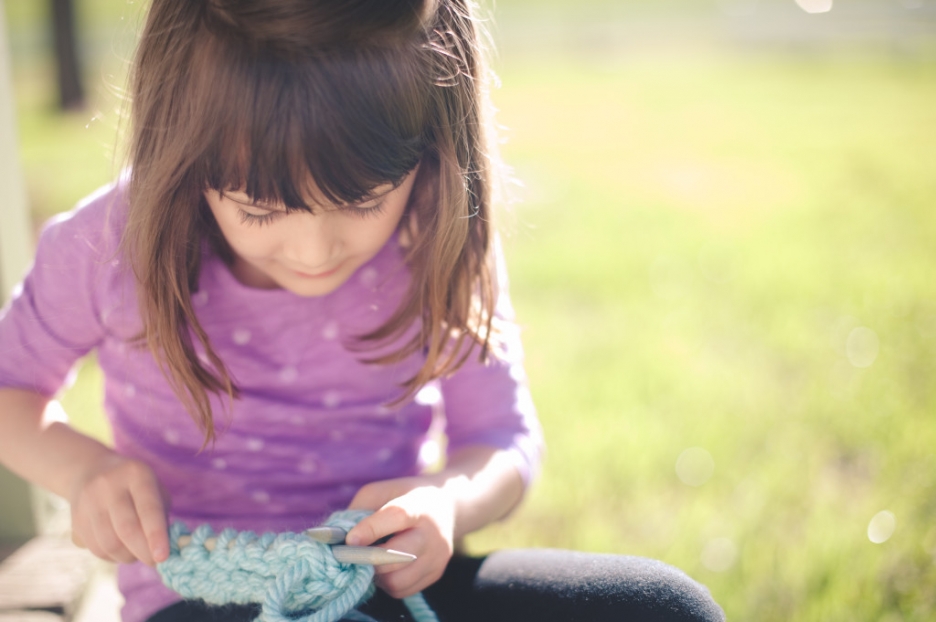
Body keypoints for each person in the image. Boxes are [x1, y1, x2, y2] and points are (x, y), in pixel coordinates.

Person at [0, 1, 725, 621]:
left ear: (431, 147)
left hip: (380, 585)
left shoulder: (435, 232)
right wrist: (83, 471)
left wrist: (447, 502)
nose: (315, 250)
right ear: (182, 154)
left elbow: (502, 440)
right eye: (259, 209)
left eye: (362, 201)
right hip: (199, 601)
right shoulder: (109, 246)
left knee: (664, 607)